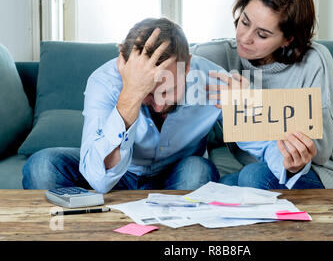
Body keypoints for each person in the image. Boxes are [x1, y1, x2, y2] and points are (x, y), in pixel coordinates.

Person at [192, 0, 333, 189]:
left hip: (331, 173)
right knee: (222, 187)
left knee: (253, 177)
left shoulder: (314, 60)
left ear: (287, 39)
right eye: (245, 21)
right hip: (269, 169)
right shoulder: (223, 57)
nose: (244, 38)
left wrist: (253, 102)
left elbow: (320, 151)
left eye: (262, 34)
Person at [23, 17, 225, 193]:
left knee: (198, 170)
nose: (158, 105)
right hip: (120, 174)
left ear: (187, 66)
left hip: (176, 172)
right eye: (147, 94)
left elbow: (255, 153)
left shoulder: (212, 79)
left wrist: (243, 106)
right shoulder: (105, 81)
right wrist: (131, 93)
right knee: (42, 166)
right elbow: (99, 180)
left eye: (168, 91)